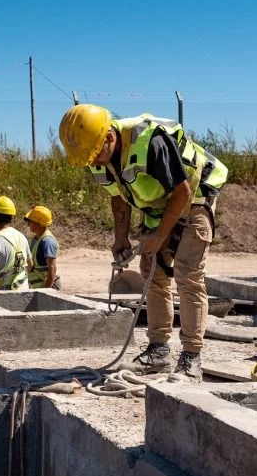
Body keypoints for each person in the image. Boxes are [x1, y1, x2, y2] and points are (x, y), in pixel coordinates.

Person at [57, 104, 228, 380]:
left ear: (110, 137)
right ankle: (158, 351)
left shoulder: (151, 142)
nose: (94, 163)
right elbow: (117, 195)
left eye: (94, 156)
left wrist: (160, 236)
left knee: (188, 273)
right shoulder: (97, 153)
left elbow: (182, 192)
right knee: (152, 272)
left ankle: (191, 358)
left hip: (194, 196)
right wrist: (121, 237)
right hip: (158, 205)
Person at [24, 205, 60, 289]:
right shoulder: (34, 239)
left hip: (47, 288)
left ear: (38, 223)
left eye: (30, 221)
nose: (28, 224)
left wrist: (47, 290)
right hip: (37, 287)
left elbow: (52, 267)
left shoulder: (47, 241)